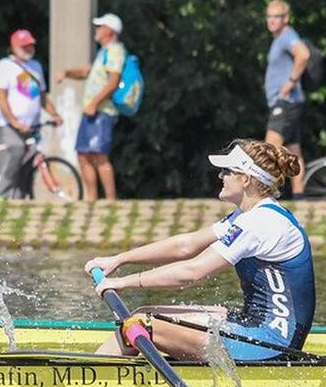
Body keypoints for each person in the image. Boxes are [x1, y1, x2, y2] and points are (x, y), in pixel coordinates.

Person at [84, 139, 313, 362]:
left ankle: (93, 380)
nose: (221, 176)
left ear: (245, 179)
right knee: (141, 313)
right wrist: (119, 260)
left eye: (227, 171)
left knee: (142, 323)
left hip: (269, 344)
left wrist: (123, 283)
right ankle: (104, 371)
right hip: (252, 326)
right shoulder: (248, 215)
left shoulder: (261, 222)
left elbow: (192, 272)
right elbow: (186, 246)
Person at [61, 13, 126, 200]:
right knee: (83, 154)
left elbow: (113, 82)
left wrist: (94, 103)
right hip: (93, 110)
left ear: (110, 32)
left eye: (100, 27)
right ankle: (92, 199)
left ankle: (110, 200)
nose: (96, 30)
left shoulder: (115, 51)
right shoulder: (104, 52)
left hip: (101, 111)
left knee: (99, 155)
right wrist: (67, 73)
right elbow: (85, 72)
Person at [0, 29, 61, 198]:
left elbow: (42, 96)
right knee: (17, 150)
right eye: (24, 45)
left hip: (33, 126)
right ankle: (2, 195)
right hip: (11, 125)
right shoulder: (4, 66)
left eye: (30, 45)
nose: (29, 48)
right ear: (14, 46)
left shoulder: (35, 67)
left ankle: (20, 197)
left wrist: (55, 114)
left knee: (29, 161)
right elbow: (1, 98)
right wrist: (14, 122)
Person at [262, 0, 310, 191]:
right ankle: (300, 196)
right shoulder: (279, 39)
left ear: (286, 18)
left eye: (277, 17)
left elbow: (303, 54)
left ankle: (263, 196)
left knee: (269, 150)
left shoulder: (287, 36)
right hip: (287, 103)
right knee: (293, 152)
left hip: (286, 103)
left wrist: (290, 83)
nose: (272, 20)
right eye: (269, 16)